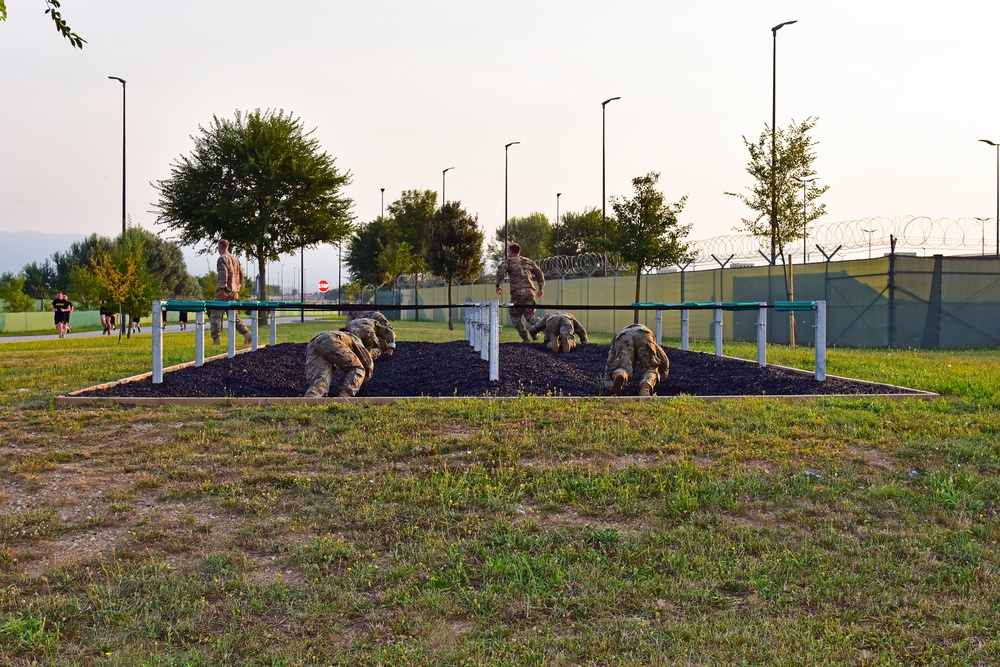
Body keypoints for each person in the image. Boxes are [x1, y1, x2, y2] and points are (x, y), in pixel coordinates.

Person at [494, 243, 545, 342]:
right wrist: (541, 288)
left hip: (517, 292)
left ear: (511, 251)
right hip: (530, 291)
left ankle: (526, 339)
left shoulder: (508, 262)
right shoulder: (528, 261)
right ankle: (546, 329)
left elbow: (501, 272)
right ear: (519, 251)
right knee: (530, 316)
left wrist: (497, 285)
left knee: (515, 316)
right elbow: (539, 273)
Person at [604, 323, 670, 397]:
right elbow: (662, 355)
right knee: (651, 368)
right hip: (644, 334)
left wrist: (608, 382)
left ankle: (620, 374)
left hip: (623, 336)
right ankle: (645, 389)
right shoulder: (647, 334)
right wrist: (663, 373)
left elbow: (610, 359)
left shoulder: (617, 337)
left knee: (621, 365)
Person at [304, 330, 374, 398]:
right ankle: (345, 396)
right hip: (331, 340)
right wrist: (367, 374)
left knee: (321, 378)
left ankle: (311, 399)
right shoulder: (354, 337)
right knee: (358, 368)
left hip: (313, 344)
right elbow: (366, 361)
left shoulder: (338, 334)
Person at [210, 239, 252, 346]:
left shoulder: (222, 259)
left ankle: (216, 339)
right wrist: (237, 287)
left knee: (215, 314)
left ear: (220, 247)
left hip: (225, 291)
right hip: (234, 292)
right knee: (233, 315)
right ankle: (247, 334)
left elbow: (223, 274)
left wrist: (222, 288)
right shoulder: (235, 259)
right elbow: (242, 275)